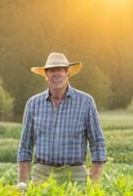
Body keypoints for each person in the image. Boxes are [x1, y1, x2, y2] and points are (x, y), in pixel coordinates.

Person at [16, 52, 106, 188]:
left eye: (60, 70)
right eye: (52, 70)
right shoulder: (33, 104)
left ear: (68, 73)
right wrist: (22, 183)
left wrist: (94, 179)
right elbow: (25, 146)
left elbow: (97, 142)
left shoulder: (85, 102)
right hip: (42, 175)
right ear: (46, 75)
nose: (56, 74)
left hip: (75, 175)